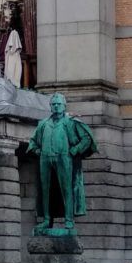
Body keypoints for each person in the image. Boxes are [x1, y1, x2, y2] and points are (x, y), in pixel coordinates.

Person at [27, 93, 97, 232]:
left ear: (64, 106)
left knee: (66, 190)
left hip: (64, 158)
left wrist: (75, 150)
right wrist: (36, 151)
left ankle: (69, 220)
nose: (56, 106)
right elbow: (33, 142)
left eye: (59, 104)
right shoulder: (43, 124)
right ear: (50, 106)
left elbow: (87, 139)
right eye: (54, 104)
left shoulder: (70, 122)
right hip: (45, 159)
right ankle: (47, 220)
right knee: (46, 190)